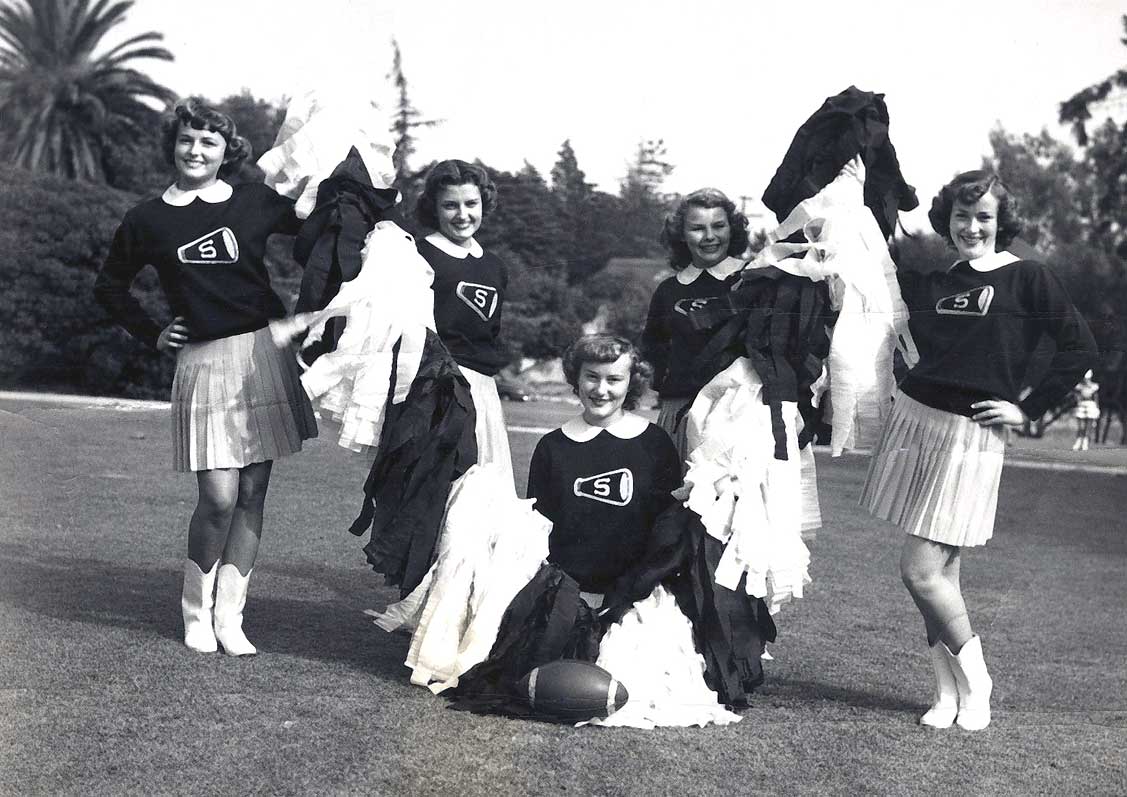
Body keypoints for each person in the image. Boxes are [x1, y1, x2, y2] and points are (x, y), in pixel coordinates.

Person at [860, 170, 1097, 730]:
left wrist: (1028, 409)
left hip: (971, 435)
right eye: (962, 217)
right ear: (949, 220)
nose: (971, 227)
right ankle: (947, 695)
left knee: (920, 572)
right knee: (945, 576)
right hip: (918, 423)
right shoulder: (943, 280)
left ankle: (979, 681)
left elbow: (1080, 345)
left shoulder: (1029, 277)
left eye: (984, 217)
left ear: (1001, 223)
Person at [94, 98, 317, 656]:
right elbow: (110, 287)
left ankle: (230, 618)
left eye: (209, 143)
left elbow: (320, 223)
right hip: (203, 361)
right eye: (187, 140)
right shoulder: (147, 218)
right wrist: (152, 333)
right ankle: (196, 611)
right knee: (218, 497)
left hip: (263, 354)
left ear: (227, 151)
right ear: (173, 144)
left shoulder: (254, 203)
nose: (196, 151)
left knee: (251, 492)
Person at [414, 160, 513, 483]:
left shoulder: (495, 266)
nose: (462, 214)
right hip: (437, 387)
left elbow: (490, 333)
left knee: (481, 490)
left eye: (471, 204)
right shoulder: (420, 254)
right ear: (434, 208)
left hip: (483, 390)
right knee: (433, 489)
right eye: (450, 205)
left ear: (484, 202)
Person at [642, 188, 751, 458]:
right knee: (672, 496)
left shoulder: (753, 279)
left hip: (738, 414)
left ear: (732, 229)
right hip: (679, 412)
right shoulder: (669, 289)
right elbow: (652, 348)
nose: (710, 237)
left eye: (718, 226)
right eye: (697, 228)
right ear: (681, 233)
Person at [1072, 369, 1100, 450]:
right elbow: (1076, 397)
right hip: (1081, 405)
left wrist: (1097, 409)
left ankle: (1085, 443)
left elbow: (1096, 398)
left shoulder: (1094, 386)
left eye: (1087, 378)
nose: (1086, 379)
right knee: (1081, 426)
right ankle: (1078, 441)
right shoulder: (1079, 387)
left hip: (1091, 406)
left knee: (1088, 427)